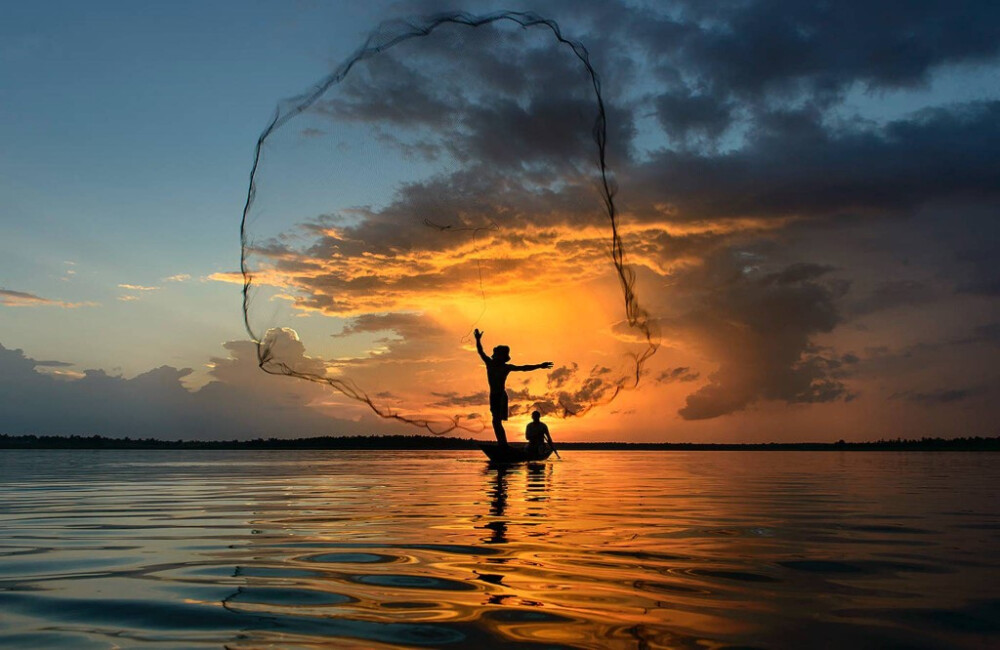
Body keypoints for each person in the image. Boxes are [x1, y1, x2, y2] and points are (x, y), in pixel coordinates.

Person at [474, 328, 552, 446]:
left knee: (497, 420)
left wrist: (540, 365)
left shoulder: (506, 367)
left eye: (500, 355)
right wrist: (478, 339)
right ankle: (502, 444)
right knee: (495, 422)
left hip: (501, 396)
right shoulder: (489, 363)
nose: (496, 356)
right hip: (493, 396)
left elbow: (524, 368)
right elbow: (480, 351)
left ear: (503, 357)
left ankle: (503, 444)